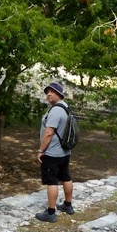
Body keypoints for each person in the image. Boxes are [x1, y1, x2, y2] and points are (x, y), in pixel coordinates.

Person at [35, 81, 74, 222]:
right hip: (65, 151)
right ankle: (68, 205)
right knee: (66, 177)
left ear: (59, 94)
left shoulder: (56, 110)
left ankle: (50, 213)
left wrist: (41, 150)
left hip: (53, 153)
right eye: (47, 92)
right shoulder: (66, 107)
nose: (49, 94)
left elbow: (49, 132)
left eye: (52, 92)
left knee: (52, 181)